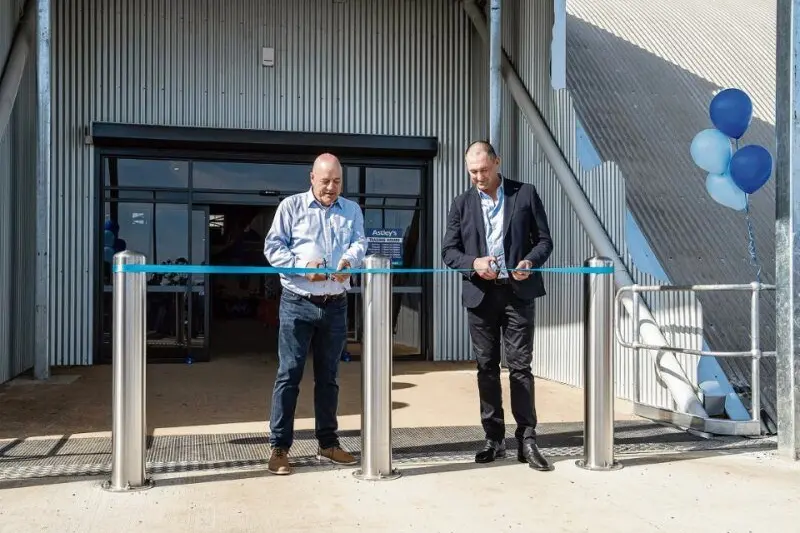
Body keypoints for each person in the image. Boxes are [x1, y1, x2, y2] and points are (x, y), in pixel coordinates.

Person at [441, 140, 554, 472]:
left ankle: (527, 441)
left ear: (497, 163)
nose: (478, 177)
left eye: (484, 170)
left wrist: (530, 262)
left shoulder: (525, 194)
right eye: (473, 172)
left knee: (520, 368)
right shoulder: (461, 204)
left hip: (517, 293)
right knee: (486, 369)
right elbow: (448, 251)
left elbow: (544, 240)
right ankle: (494, 439)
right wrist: (473, 262)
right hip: (481, 295)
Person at [263, 153, 367, 476]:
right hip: (297, 301)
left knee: (329, 378)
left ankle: (328, 443)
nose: (331, 188)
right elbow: (272, 247)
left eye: (337, 181)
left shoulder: (351, 211)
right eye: (325, 181)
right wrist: (301, 267)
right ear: (312, 178)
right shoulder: (291, 208)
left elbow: (360, 242)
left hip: (335, 305)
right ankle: (279, 448)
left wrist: (349, 261)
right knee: (289, 374)